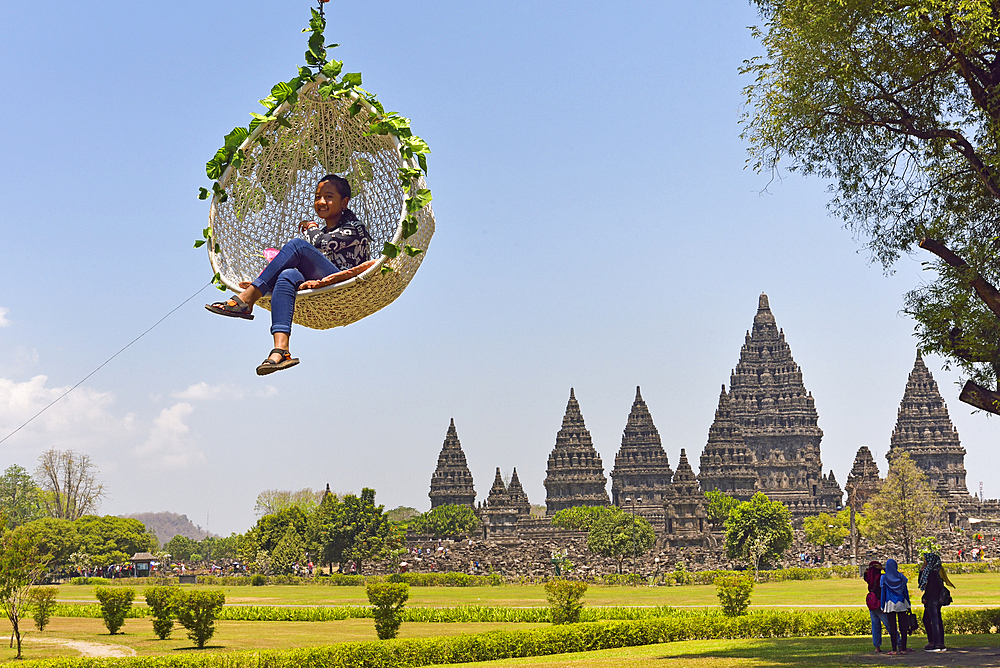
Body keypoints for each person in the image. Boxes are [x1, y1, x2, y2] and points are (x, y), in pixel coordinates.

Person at [206, 174, 371, 374]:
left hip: (345, 285)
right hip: (323, 282)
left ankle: (247, 299)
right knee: (287, 275)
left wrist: (310, 227)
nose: (321, 202)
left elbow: (323, 242)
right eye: (317, 197)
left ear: (344, 202)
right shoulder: (322, 232)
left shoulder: (355, 228)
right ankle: (281, 350)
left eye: (328, 197)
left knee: (296, 245)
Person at [880, 559, 911, 655]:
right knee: (903, 627)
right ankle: (904, 649)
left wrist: (882, 605)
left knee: (893, 628)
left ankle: (894, 650)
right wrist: (908, 604)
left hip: (889, 603)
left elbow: (883, 593)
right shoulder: (901, 577)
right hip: (901, 603)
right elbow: (905, 591)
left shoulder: (884, 578)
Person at [919, 551, 947, 652]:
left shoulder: (933, 572)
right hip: (934, 598)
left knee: (934, 621)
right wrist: (921, 571)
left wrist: (926, 597)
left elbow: (930, 587)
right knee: (931, 620)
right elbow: (921, 582)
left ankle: (936, 643)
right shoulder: (930, 571)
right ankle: (936, 642)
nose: (924, 562)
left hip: (933, 599)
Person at [863, 561, 890, 653]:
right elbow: (891, 574)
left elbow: (866, 574)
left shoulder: (869, 577)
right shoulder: (880, 577)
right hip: (880, 602)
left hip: (872, 602)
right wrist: (883, 569)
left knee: (875, 625)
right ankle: (898, 643)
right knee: (888, 624)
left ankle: (877, 646)